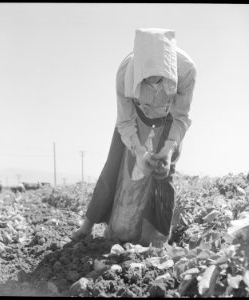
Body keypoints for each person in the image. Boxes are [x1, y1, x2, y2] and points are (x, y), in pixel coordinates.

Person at [71, 28, 196, 245]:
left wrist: (168, 149)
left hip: (168, 119)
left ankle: (157, 240)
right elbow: (125, 121)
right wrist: (139, 151)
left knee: (164, 174)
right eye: (147, 80)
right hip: (135, 117)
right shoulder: (124, 73)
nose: (153, 84)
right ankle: (87, 226)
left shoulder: (186, 70)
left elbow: (181, 116)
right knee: (112, 166)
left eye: (159, 79)